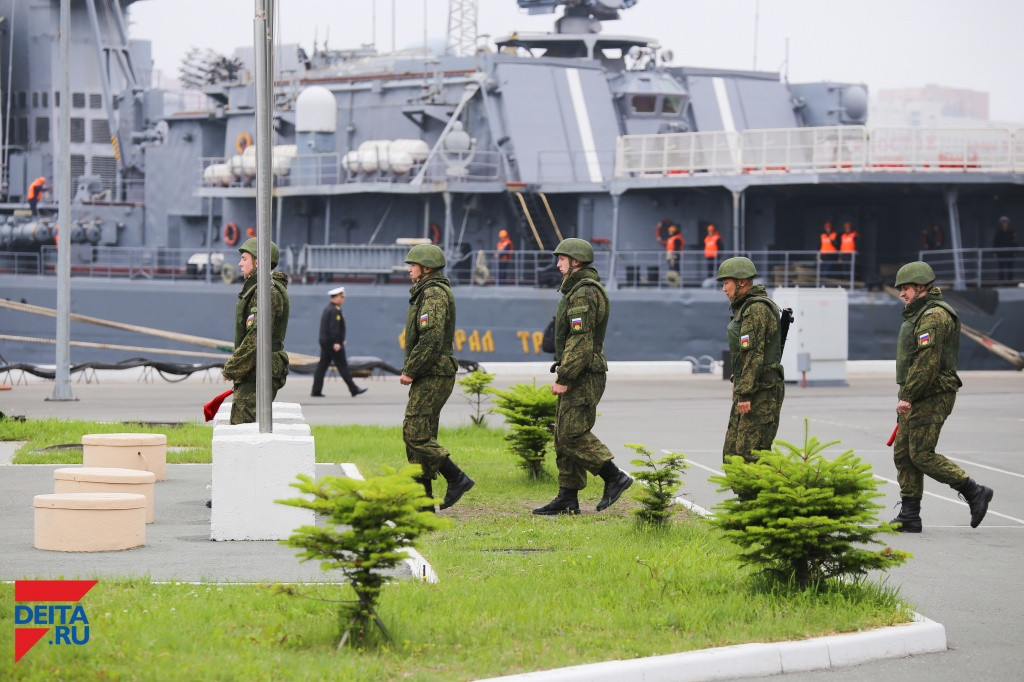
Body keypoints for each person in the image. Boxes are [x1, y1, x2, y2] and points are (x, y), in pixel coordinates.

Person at [889, 261, 994, 532]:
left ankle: (974, 491)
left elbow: (927, 363)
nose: (902, 293)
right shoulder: (920, 314)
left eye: (906, 288)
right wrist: (908, 394)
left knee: (921, 454)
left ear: (921, 287)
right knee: (903, 453)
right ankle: (910, 515)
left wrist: (908, 395)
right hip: (918, 393)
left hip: (933, 393)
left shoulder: (934, 317)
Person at [533, 238, 633, 515]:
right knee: (563, 436)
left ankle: (614, 477)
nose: (557, 264)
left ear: (575, 262)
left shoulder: (584, 293)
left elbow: (581, 341)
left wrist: (564, 376)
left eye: (561, 259)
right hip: (580, 370)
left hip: (584, 373)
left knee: (572, 434)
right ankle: (568, 497)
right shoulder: (575, 290)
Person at [401, 243, 474, 511]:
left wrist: (411, 369)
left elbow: (430, 338)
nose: (409, 270)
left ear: (426, 268)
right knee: (421, 434)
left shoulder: (433, 295)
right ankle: (423, 503)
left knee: (415, 433)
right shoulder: (425, 292)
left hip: (433, 371)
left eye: (413, 265)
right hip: (431, 372)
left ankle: (457, 478)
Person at [717, 256, 785, 463]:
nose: (723, 289)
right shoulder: (745, 309)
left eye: (726, 283)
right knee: (732, 455)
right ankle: (746, 495)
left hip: (761, 392)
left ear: (742, 282)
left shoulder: (756, 309)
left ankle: (766, 495)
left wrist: (745, 393)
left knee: (750, 454)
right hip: (749, 389)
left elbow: (754, 354)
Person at [221, 237, 290, 425]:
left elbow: (257, 337)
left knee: (243, 426)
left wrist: (232, 368)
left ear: (258, 261)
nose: (240, 263)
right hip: (256, 368)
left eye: (244, 258)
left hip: (260, 368)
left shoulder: (267, 292)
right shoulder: (260, 289)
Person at [310, 286, 368, 398]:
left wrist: (341, 339)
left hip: (326, 341)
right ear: (336, 297)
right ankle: (354, 389)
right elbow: (334, 328)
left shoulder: (328, 308)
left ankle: (316, 390)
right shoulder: (334, 310)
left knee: (322, 366)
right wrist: (337, 342)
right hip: (332, 343)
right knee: (342, 365)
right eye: (341, 297)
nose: (343, 299)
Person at [992, 216, 1018, 284]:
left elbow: (1015, 242)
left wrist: (1015, 251)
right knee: (1001, 268)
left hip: (1010, 253)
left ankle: (1010, 282)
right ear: (1001, 224)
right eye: (1003, 222)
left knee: (1010, 268)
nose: (1004, 224)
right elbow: (995, 242)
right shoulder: (998, 232)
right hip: (1001, 253)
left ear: (1008, 223)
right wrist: (994, 252)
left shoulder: (1012, 232)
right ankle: (1001, 282)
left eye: (1006, 222)